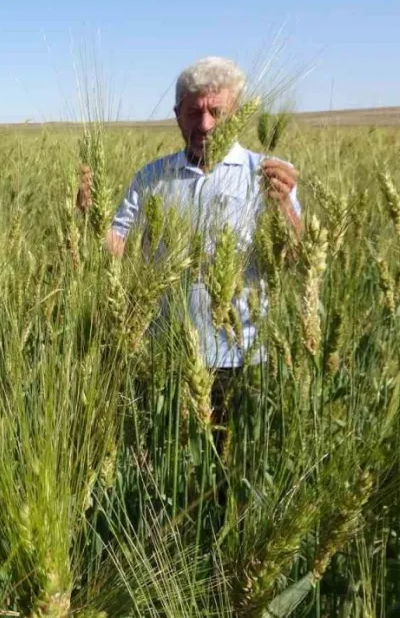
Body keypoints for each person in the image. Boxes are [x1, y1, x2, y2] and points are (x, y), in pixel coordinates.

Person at [102, 57, 303, 434]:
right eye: (194, 113)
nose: (205, 124)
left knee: (232, 466)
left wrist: (285, 211)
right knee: (171, 456)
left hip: (243, 356)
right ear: (177, 115)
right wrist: (89, 220)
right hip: (165, 352)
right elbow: (117, 244)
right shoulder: (151, 177)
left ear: (238, 114)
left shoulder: (267, 175)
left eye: (216, 111)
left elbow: (295, 259)